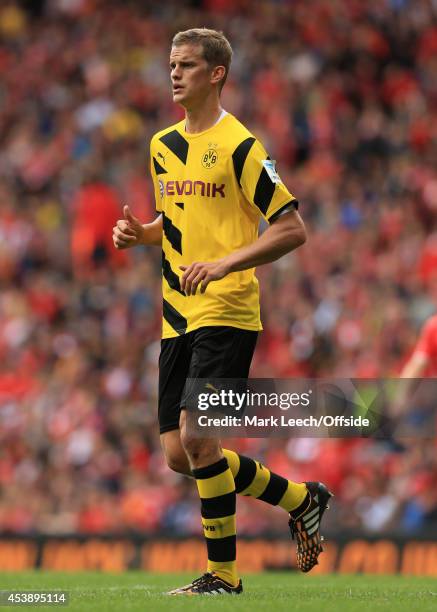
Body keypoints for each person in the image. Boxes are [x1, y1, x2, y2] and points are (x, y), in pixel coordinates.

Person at [113, 28, 332, 596]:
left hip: (228, 310)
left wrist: (226, 264)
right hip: (175, 312)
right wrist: (143, 236)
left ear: (216, 74)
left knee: (200, 440)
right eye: (170, 64)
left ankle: (223, 577)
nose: (174, 74)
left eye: (186, 65)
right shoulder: (162, 144)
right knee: (178, 455)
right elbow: (180, 223)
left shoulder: (242, 146)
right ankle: (301, 498)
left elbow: (291, 229)